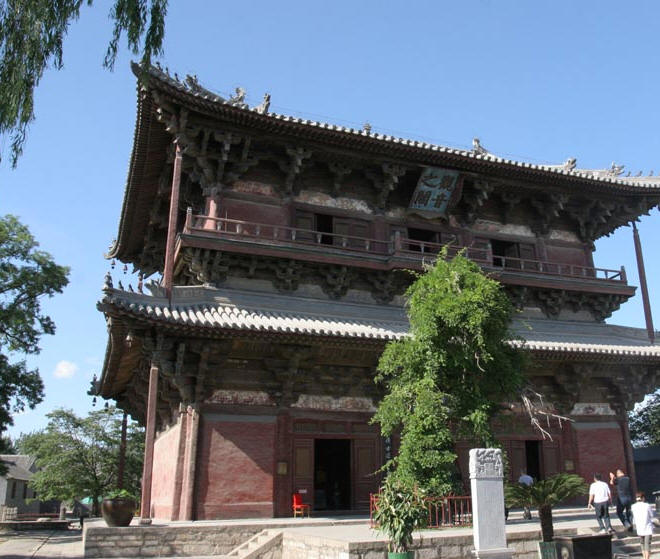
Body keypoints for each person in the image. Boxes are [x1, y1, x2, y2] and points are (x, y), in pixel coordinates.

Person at [630, 491, 654, 559]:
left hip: (639, 527)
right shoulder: (647, 505)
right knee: (647, 544)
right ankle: (647, 558)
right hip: (647, 527)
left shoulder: (633, 506)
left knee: (642, 543)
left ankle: (644, 557)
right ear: (643, 498)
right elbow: (651, 515)